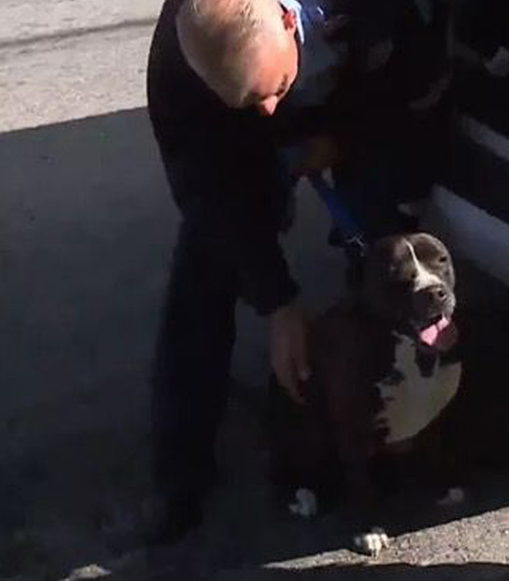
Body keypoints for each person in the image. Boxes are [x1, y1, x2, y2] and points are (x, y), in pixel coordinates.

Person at [144, 0, 452, 543]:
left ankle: (404, 415)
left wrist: (342, 141)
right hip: (236, 139)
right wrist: (278, 300)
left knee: (388, 253)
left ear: (289, 20)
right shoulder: (179, 67)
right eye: (249, 99)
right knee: (206, 269)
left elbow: (418, 76)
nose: (266, 109)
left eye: (273, 88)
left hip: (356, 94)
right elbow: (209, 193)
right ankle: (181, 476)